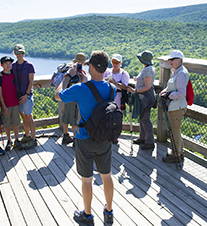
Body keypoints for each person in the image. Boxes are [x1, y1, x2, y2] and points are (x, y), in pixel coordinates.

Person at [55, 51, 115, 226]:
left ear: (91, 67)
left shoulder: (80, 89)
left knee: (87, 179)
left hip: (84, 138)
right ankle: (109, 211)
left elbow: (59, 95)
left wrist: (67, 77)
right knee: (107, 175)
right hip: (105, 138)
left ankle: (87, 215)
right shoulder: (111, 87)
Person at [159, 50, 189, 163]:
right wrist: (164, 92)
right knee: (175, 131)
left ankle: (176, 155)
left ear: (180, 60)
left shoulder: (181, 73)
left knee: (174, 131)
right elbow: (171, 87)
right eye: (170, 60)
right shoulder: (176, 71)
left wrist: (169, 96)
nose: (170, 61)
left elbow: (181, 93)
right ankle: (179, 152)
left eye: (173, 59)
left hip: (177, 107)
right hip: (174, 106)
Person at [127, 50, 156, 150]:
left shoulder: (148, 70)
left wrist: (135, 90)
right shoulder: (148, 68)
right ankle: (143, 137)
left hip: (145, 97)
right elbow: (145, 82)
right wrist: (137, 80)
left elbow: (147, 86)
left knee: (145, 119)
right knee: (142, 118)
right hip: (144, 97)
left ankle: (150, 141)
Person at [12, 44, 37, 149]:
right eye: (18, 53)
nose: (21, 55)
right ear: (15, 53)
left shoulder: (29, 65)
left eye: (22, 53)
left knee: (29, 116)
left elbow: (31, 81)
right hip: (17, 96)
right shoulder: (13, 65)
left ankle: (33, 139)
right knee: (23, 116)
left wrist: (26, 95)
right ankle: (27, 135)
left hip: (26, 95)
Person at [0, 56, 24, 151]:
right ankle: (9, 140)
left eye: (10, 63)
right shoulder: (0, 77)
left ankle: (16, 139)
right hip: (6, 104)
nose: (8, 65)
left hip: (15, 103)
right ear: (2, 65)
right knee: (7, 124)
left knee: (16, 122)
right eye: (6, 64)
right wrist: (3, 106)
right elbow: (0, 93)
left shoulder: (13, 74)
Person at [61, 53, 88, 144]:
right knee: (74, 118)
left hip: (68, 96)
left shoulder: (70, 71)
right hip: (75, 98)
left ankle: (65, 135)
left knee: (66, 115)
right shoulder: (78, 72)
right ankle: (75, 138)